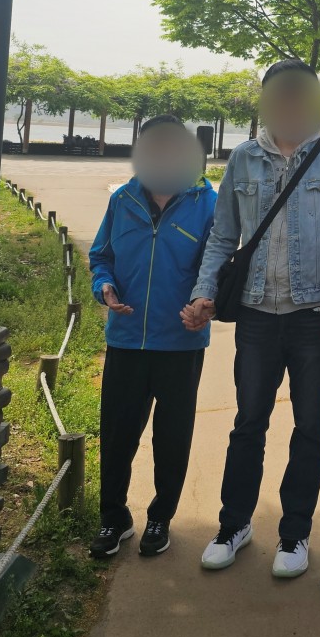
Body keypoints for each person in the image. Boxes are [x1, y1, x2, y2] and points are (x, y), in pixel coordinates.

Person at [181, 59, 320, 579]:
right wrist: (204, 293)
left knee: (311, 427)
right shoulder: (244, 158)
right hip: (257, 313)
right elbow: (223, 235)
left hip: (312, 316)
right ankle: (233, 525)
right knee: (248, 424)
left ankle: (295, 533)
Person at [88, 115, 216, 559]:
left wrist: (205, 301)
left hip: (180, 342)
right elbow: (101, 255)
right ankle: (114, 518)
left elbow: (217, 265)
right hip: (126, 339)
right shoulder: (123, 200)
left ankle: (161, 517)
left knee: (172, 438)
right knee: (117, 435)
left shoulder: (208, 203)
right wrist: (104, 286)